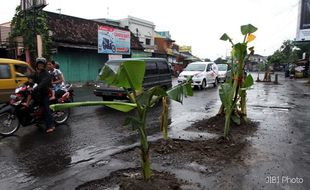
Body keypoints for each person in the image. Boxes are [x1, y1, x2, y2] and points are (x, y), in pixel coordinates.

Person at [30, 57, 55, 133]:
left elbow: (42, 83)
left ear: (44, 65)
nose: (40, 65)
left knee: (47, 110)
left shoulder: (46, 74)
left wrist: (35, 88)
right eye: (39, 64)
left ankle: (51, 126)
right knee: (31, 106)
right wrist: (24, 85)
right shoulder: (36, 73)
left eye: (42, 64)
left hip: (45, 94)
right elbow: (31, 80)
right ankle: (38, 119)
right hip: (37, 94)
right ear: (37, 65)